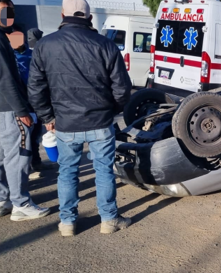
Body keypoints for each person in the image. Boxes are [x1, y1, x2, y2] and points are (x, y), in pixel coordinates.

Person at [28, 0, 132, 236]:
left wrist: (47, 116)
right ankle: (108, 220)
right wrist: (111, 110)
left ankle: (67, 223)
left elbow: (35, 88)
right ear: (89, 18)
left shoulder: (45, 45)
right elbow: (122, 88)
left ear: (63, 14)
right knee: (104, 170)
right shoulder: (106, 45)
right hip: (100, 122)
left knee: (67, 172)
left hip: (65, 122)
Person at [0, 0, 50, 220]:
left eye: (9, 10)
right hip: (8, 108)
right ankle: (20, 203)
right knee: (18, 155)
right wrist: (21, 110)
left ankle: (3, 198)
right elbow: (6, 79)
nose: (7, 15)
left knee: (2, 157)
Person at [12, 26, 52, 175]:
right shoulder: (10, 57)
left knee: (35, 135)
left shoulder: (32, 55)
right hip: (20, 103)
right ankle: (24, 167)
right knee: (22, 137)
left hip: (35, 100)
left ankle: (36, 163)